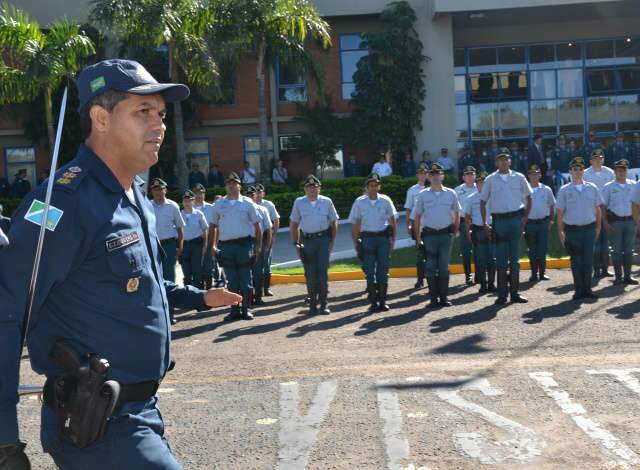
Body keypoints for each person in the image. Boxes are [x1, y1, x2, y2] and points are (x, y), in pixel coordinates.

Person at [0, 59, 242, 470]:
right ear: (101, 118)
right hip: (96, 423)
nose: (159, 125)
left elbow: (137, 284)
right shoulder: (62, 202)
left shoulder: (134, 198)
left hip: (138, 411)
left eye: (161, 114)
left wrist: (198, 298)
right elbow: (7, 311)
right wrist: (4, 440)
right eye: (143, 112)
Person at [480, 149, 532, 305]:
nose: (503, 162)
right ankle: (502, 295)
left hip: (516, 220)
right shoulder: (490, 179)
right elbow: (482, 202)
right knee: (501, 260)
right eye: (500, 159)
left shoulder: (519, 177)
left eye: (506, 159)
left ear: (510, 161)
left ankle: (515, 293)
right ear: (496, 162)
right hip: (499, 222)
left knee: (515, 259)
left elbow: (529, 197)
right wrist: (485, 223)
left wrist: (525, 219)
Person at [210, 172, 262, 321]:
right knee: (231, 281)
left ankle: (246, 309)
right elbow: (212, 226)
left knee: (246, 280)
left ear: (240, 186)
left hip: (244, 246)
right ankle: (234, 309)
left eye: (235, 184)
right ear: (226, 186)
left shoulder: (247, 203)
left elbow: (257, 227)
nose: (232, 186)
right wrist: (213, 246)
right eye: (229, 184)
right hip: (226, 247)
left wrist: (257, 247)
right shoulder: (219, 204)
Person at [412, 163, 461, 309]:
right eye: (432, 175)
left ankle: (444, 298)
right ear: (429, 177)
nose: (435, 177)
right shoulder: (422, 195)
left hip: (446, 234)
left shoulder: (451, 193)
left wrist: (455, 231)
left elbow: (457, 214)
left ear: (442, 176)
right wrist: (418, 237)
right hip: (430, 236)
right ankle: (433, 298)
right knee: (431, 266)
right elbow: (417, 216)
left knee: (444, 266)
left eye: (437, 174)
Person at [289, 175, 339, 315]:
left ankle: (324, 304)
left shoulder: (326, 201)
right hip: (307, 242)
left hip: (323, 240)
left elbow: (334, 221)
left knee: (322, 273)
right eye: (309, 187)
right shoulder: (299, 202)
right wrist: (296, 244)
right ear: (305, 189)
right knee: (310, 275)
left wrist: (332, 242)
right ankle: (312, 305)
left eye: (314, 187)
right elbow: (294, 225)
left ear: (319, 188)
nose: (312, 189)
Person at [349, 173, 397, 312]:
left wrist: (393, 239)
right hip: (367, 239)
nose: (373, 188)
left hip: (382, 239)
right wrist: (356, 242)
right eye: (371, 185)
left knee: (383, 270)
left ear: (379, 186)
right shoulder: (359, 202)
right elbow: (355, 223)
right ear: (366, 187)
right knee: (369, 271)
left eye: (376, 185)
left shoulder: (386, 200)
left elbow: (392, 220)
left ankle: (382, 301)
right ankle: (373, 302)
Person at [556, 157, 602, 300]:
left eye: (580, 169)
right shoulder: (564, 190)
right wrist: (560, 232)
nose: (578, 171)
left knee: (588, 261)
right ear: (570, 171)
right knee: (576, 262)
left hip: (589, 229)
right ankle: (578, 290)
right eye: (574, 169)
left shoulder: (592, 187)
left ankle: (587, 290)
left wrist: (598, 227)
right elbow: (560, 213)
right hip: (572, 231)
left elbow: (598, 209)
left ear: (583, 171)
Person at [601, 159, 638, 286]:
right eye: (619, 170)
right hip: (615, 222)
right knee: (616, 251)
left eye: (624, 170)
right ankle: (618, 277)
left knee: (629, 250)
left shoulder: (634, 185)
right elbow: (603, 207)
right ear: (615, 172)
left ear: (627, 171)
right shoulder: (608, 187)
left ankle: (628, 277)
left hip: (630, 221)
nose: (622, 172)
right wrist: (605, 222)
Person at [584, 149, 615, 278]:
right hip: (592, 210)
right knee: (595, 241)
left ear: (603, 159)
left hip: (607, 210)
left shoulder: (609, 172)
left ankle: (605, 269)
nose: (598, 160)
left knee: (605, 242)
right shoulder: (585, 173)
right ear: (591, 160)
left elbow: (613, 190)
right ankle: (596, 269)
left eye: (600, 158)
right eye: (595, 158)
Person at [463, 171, 495, 293]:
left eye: (483, 182)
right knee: (480, 259)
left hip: (492, 229)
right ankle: (483, 284)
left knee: (492, 258)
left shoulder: (493, 197)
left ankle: (491, 284)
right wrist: (468, 233)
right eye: (479, 182)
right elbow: (466, 217)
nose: (481, 184)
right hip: (478, 230)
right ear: (476, 184)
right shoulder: (471, 198)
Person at [150, 178, 185, 284]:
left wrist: (180, 246)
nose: (158, 192)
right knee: (154, 274)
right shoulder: (147, 205)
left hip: (169, 245)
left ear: (165, 190)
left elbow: (180, 228)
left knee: (169, 275)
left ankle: (171, 300)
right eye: (156, 190)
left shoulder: (173, 206)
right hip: (152, 245)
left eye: (161, 189)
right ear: (152, 192)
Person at [525, 164, 556, 282]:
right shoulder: (524, 190)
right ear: (528, 176)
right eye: (532, 174)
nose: (534, 176)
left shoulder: (546, 189)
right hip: (530, 223)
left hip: (543, 222)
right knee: (532, 250)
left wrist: (551, 221)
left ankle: (542, 273)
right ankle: (534, 273)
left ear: (540, 175)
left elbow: (552, 205)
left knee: (542, 249)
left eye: (536, 174)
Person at [244, 186, 272, 306]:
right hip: (245, 242)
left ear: (256, 196)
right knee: (246, 272)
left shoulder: (262, 209)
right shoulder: (241, 210)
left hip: (259, 242)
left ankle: (258, 296)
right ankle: (248, 298)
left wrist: (267, 246)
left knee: (258, 271)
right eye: (248, 195)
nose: (250, 197)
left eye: (252, 195)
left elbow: (268, 229)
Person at [404, 163, 429, 288]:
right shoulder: (412, 190)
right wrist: (408, 224)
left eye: (425, 173)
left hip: (430, 224)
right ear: (417, 175)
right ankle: (420, 279)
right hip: (418, 225)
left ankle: (431, 278)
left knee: (431, 253)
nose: (423, 175)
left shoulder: (433, 187)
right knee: (420, 253)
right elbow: (408, 208)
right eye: (421, 173)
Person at [180, 189, 209, 288]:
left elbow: (205, 230)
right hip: (184, 245)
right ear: (183, 202)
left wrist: (205, 246)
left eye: (189, 200)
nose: (187, 203)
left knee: (197, 270)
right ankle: (188, 292)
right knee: (186, 270)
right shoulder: (179, 214)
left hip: (197, 245)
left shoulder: (199, 214)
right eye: (185, 200)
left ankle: (199, 291)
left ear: (193, 201)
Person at [255, 183, 280, 296]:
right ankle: (258, 289)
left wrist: (273, 236)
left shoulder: (268, 205)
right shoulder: (250, 204)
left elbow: (276, 220)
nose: (258, 194)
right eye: (256, 192)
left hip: (266, 236)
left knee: (266, 263)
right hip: (253, 237)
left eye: (260, 192)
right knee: (256, 265)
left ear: (263, 193)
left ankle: (267, 288)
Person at [455, 166, 478, 285]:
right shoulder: (457, 191)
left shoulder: (480, 188)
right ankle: (468, 275)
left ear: (475, 176)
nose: (470, 176)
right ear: (463, 177)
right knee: (466, 250)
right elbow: (454, 210)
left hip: (478, 222)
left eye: (472, 174)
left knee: (479, 249)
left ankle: (479, 274)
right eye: (467, 174)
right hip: (464, 223)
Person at [193, 183, 216, 289]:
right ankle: (199, 290)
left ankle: (209, 289)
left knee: (208, 267)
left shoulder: (211, 208)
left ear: (204, 195)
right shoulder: (189, 207)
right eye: (197, 193)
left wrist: (215, 243)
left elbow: (216, 226)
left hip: (209, 241)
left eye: (201, 193)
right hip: (195, 242)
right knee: (197, 267)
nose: (199, 196)